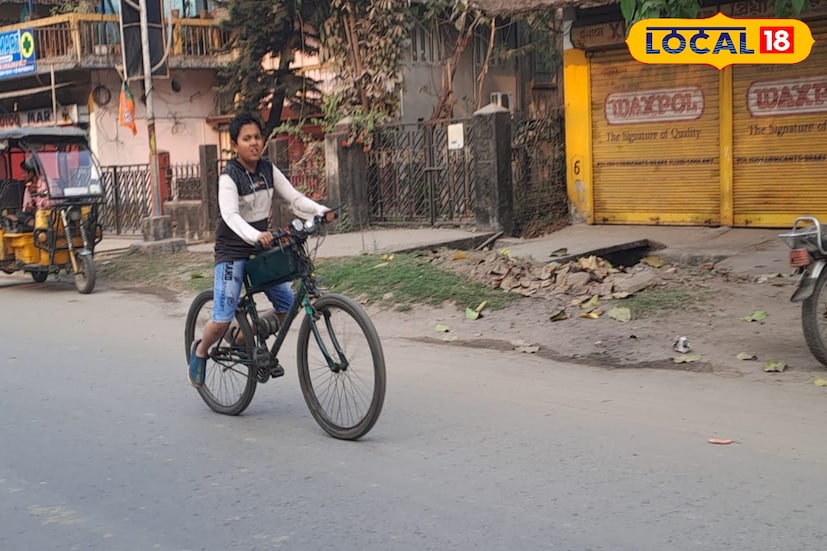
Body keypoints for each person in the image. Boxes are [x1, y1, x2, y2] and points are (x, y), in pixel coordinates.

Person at [188, 111, 331, 388]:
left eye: (257, 137)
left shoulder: (267, 169)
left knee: (287, 305)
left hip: (260, 249)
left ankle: (243, 337)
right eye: (247, 138)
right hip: (233, 252)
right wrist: (256, 235)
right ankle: (201, 350)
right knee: (220, 321)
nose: (254, 143)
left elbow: (294, 198)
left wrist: (320, 211)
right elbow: (230, 216)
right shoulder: (229, 177)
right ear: (235, 144)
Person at [17, 155, 53, 227]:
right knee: (19, 214)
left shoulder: (47, 183)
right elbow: (25, 207)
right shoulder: (28, 188)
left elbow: (51, 203)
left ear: (31, 173)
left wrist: (37, 197)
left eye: (25, 173)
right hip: (36, 215)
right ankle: (35, 224)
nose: (23, 176)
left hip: (49, 213)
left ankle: (36, 223)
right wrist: (28, 208)